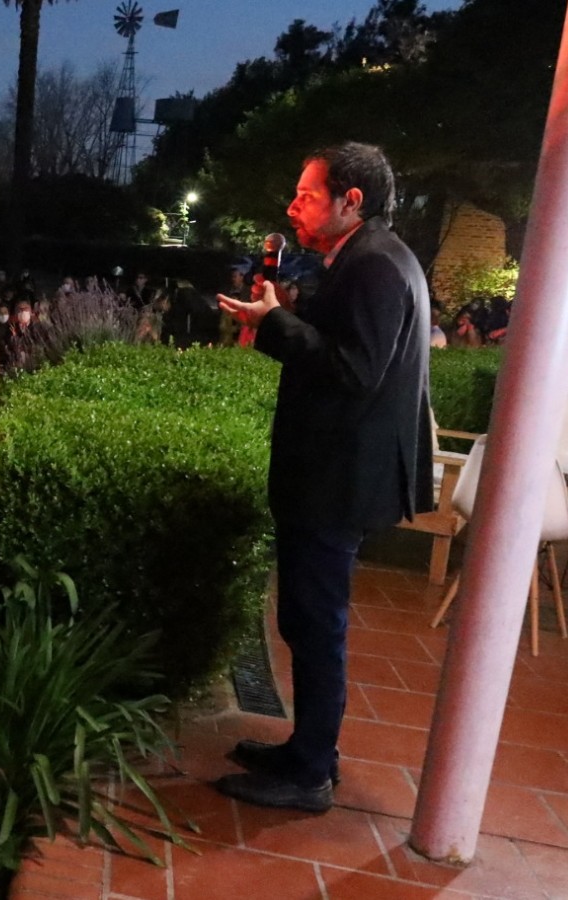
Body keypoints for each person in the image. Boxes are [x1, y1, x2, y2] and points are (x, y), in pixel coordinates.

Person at [214, 142, 433, 813]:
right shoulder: (368, 259)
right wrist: (288, 310)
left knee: (316, 623)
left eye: (308, 196)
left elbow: (353, 370)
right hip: (337, 474)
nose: (293, 207)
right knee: (310, 622)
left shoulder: (373, 266)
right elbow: (344, 342)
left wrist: (276, 322)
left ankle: (308, 772)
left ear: (351, 200)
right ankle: (308, 750)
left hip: (337, 480)